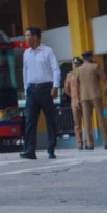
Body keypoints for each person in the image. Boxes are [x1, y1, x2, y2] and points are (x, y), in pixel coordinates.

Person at [20, 26, 61, 160]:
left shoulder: (47, 51)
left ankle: (51, 149)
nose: (26, 38)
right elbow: (25, 73)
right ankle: (30, 150)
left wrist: (55, 86)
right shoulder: (26, 54)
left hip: (46, 89)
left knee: (50, 119)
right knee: (30, 121)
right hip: (32, 90)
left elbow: (56, 69)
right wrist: (26, 89)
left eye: (28, 35)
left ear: (35, 37)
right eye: (25, 36)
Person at [75, 51, 107, 150]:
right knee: (101, 119)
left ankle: (89, 143)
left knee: (87, 121)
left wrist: (77, 98)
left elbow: (77, 84)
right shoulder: (95, 66)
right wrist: (100, 67)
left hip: (84, 96)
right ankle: (106, 142)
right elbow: (104, 78)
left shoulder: (78, 69)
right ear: (90, 57)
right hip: (95, 95)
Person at [63, 56, 83, 148]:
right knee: (77, 123)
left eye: (78, 64)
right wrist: (73, 97)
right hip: (74, 102)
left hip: (84, 100)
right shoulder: (70, 75)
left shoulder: (83, 73)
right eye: (75, 64)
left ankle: (88, 142)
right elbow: (66, 89)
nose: (76, 66)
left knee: (86, 122)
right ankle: (79, 143)